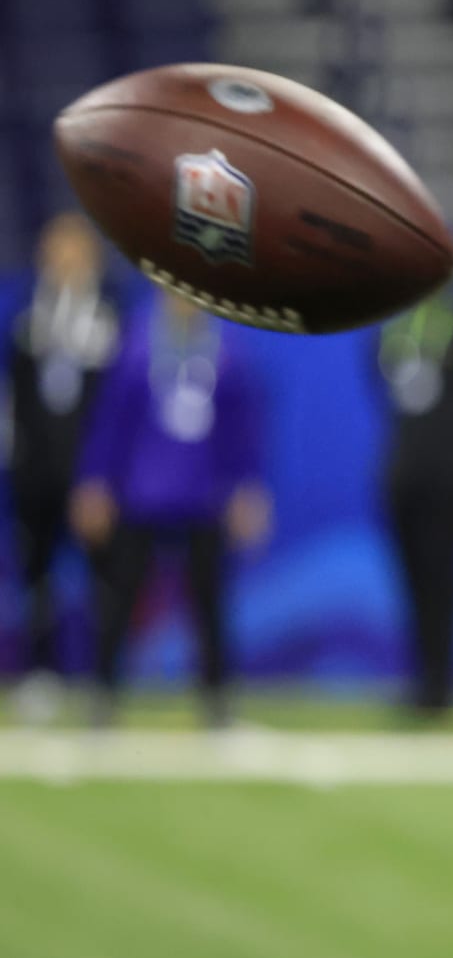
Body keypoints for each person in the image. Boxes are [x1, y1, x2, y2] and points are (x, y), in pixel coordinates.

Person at [71, 289, 270, 729]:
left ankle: (217, 701)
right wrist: (95, 481)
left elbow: (242, 428)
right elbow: (110, 421)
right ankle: (102, 695)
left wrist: (247, 487)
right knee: (120, 597)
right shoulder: (136, 344)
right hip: (141, 492)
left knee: (210, 602)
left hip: (204, 494)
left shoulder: (227, 349)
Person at [4, 214, 119, 723]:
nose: (65, 263)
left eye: (74, 253)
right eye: (56, 253)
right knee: (38, 578)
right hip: (35, 473)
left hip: (89, 475)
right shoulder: (26, 316)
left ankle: (104, 678)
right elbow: (17, 397)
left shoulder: (110, 318)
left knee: (103, 580)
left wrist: (102, 476)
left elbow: (112, 407)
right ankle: (41, 671)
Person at [375, 286, 453, 720]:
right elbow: (384, 393)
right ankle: (421, 679)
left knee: (444, 577)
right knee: (412, 580)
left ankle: (445, 682)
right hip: (404, 474)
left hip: (452, 476)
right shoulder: (393, 332)